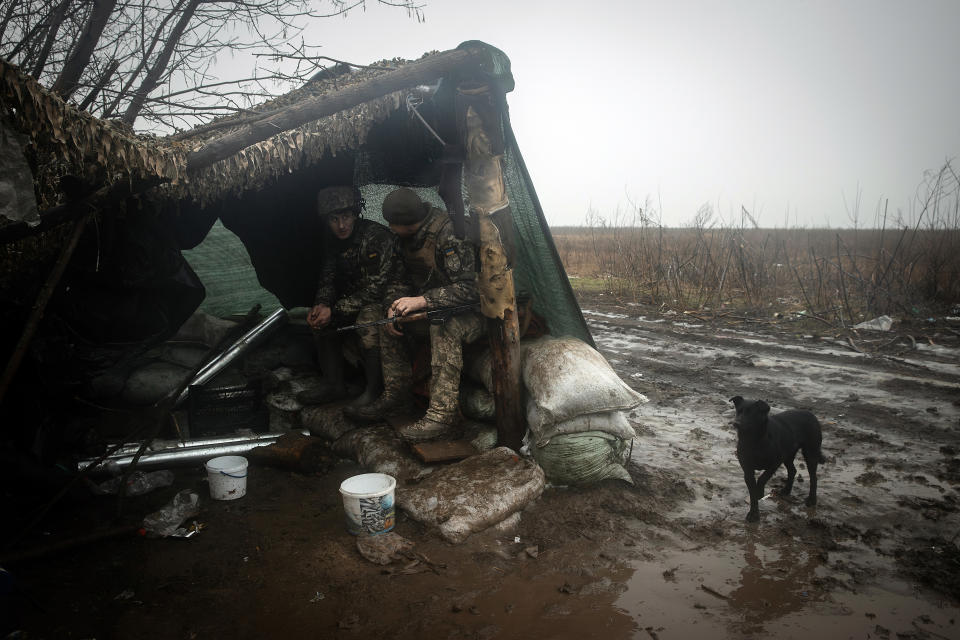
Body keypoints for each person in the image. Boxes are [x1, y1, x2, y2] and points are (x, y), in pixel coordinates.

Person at [345, 187, 485, 443]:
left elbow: (472, 289)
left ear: (405, 223)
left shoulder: (449, 233)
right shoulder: (403, 240)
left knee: (444, 325)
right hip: (431, 308)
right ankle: (397, 397)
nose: (391, 229)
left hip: (473, 315)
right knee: (384, 318)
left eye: (393, 224)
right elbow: (398, 280)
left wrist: (423, 300)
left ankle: (442, 416)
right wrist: (393, 305)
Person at [301, 186, 398, 407]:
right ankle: (334, 385)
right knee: (320, 322)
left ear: (355, 214)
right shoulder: (332, 240)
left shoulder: (376, 237)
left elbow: (379, 286)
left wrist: (335, 310)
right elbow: (329, 276)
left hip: (389, 296)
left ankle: (374, 391)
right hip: (357, 297)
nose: (341, 225)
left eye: (346, 217)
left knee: (367, 321)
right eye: (334, 219)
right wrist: (322, 303)